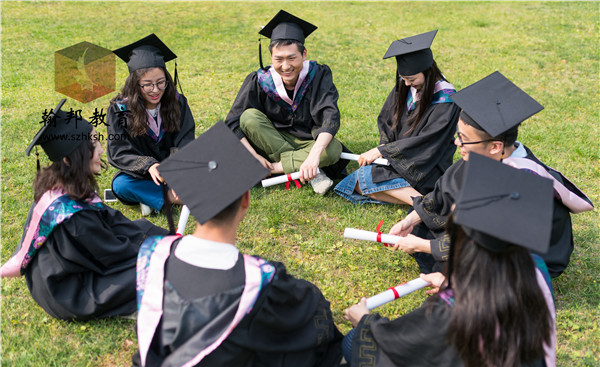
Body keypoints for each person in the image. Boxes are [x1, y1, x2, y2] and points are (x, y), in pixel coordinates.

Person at [128, 122, 343, 367]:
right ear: (246, 199)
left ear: (190, 203)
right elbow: (309, 310)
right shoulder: (258, 280)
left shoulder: (153, 255)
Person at [336, 153, 559, 367]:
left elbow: (405, 342)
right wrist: (446, 281)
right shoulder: (533, 267)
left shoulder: (458, 307)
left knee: (352, 343)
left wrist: (365, 322)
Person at [389, 71, 593, 276]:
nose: (456, 142)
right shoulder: (482, 156)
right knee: (421, 225)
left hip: (524, 258)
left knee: (465, 271)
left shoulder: (522, 183)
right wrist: (410, 221)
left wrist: (423, 246)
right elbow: (442, 193)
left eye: (463, 138)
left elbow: (484, 244)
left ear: (495, 146)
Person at [0, 99, 168, 321]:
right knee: (158, 269)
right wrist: (160, 252)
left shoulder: (63, 183)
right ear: (70, 158)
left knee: (146, 236)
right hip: (70, 293)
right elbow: (112, 254)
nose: (100, 150)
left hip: (58, 278)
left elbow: (113, 221)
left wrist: (163, 237)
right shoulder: (71, 215)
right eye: (93, 144)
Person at [224, 10, 346, 195]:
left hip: (309, 141)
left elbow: (330, 116)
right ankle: (311, 172)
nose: (285, 66)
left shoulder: (318, 75)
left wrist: (314, 156)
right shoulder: (260, 80)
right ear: (271, 57)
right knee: (249, 117)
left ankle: (274, 169)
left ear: (304, 54)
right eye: (278, 59)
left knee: (333, 150)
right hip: (270, 139)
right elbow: (233, 121)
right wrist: (254, 156)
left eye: (292, 58)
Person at [335, 30, 459, 205]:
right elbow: (387, 121)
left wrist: (383, 152)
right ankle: (421, 202)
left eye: (411, 79)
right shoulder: (405, 87)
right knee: (356, 182)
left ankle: (427, 204)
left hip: (426, 165)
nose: (407, 83)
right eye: (403, 78)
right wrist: (384, 147)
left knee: (365, 179)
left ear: (428, 72)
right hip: (397, 159)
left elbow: (429, 141)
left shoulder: (445, 99)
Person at [107, 34, 195, 216]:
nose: (155, 90)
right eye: (147, 85)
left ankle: (153, 199)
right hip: (141, 174)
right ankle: (172, 197)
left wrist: (178, 173)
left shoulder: (178, 103)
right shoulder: (119, 110)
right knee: (120, 184)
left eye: (160, 83)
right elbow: (118, 151)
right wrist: (148, 165)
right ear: (134, 84)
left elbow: (185, 139)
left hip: (174, 169)